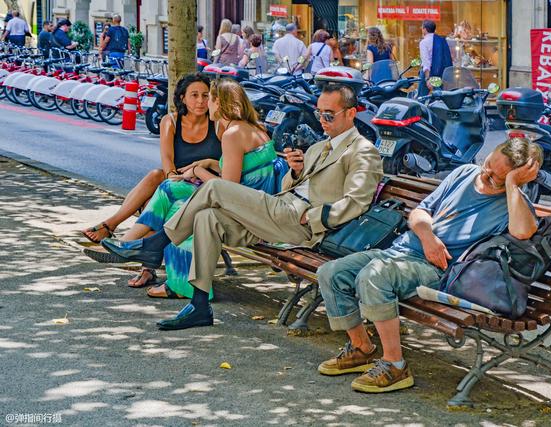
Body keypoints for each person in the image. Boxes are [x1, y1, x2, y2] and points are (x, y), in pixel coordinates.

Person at [96, 83, 384, 331]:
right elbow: (290, 186)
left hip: (302, 223)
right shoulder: (321, 147)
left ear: (351, 113)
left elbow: (357, 201)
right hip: (280, 211)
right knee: (208, 217)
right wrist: (295, 172)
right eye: (319, 112)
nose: (322, 120)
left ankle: (155, 243)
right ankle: (199, 307)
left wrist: (316, 218)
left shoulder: (363, 152)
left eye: (329, 114)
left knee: (215, 187)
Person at [316, 137, 541, 393]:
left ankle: (395, 366)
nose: (486, 174)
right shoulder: (465, 173)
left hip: (437, 270)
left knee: (374, 277)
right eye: (488, 164)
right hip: (401, 251)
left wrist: (512, 184)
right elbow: (420, 211)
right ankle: (362, 349)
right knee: (331, 272)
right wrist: (428, 237)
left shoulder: (513, 205)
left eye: (497, 178)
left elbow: (523, 232)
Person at [86, 79, 278, 300]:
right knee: (169, 187)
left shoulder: (232, 134)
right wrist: (208, 163)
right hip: (252, 204)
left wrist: (197, 170)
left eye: (209, 98)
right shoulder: (249, 128)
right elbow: (243, 170)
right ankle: (134, 247)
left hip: (245, 213)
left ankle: (147, 258)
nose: (206, 103)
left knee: (179, 206)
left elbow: (227, 189)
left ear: (219, 102)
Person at [81, 73, 224, 287]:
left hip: (206, 189)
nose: (201, 101)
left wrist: (205, 164)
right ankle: (125, 243)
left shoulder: (218, 124)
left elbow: (226, 166)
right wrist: (175, 179)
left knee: (159, 201)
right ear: (182, 98)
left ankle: (125, 243)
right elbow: (168, 163)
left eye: (205, 95)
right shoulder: (171, 122)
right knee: (157, 177)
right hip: (177, 183)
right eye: (194, 95)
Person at [418, 20, 453, 96]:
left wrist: (428, 79)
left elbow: (426, 63)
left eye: (422, 28)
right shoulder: (441, 40)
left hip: (429, 73)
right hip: (441, 72)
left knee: (421, 98)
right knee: (440, 96)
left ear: (425, 29)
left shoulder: (424, 42)